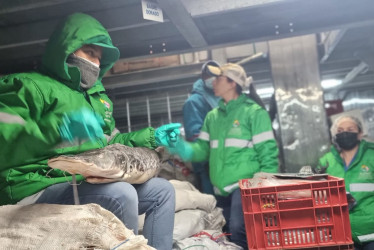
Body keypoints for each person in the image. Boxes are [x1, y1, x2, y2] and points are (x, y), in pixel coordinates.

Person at [0, 13, 178, 250]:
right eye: (89, 53)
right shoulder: (29, 86)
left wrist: (151, 137)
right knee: (121, 194)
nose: (95, 63)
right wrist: (57, 129)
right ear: (66, 48)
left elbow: (110, 143)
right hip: (32, 184)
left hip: (78, 181)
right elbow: (5, 134)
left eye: (99, 58)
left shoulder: (96, 100)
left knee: (162, 191)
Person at [166, 63, 279, 249]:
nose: (213, 82)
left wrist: (264, 189)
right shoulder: (213, 117)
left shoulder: (253, 113)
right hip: (220, 189)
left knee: (238, 230)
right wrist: (179, 146)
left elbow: (268, 153)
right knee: (226, 232)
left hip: (246, 186)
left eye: (218, 78)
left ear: (232, 83)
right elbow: (202, 150)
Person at [318, 115, 374, 250]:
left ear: (360, 134)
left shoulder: (371, 157)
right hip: (340, 233)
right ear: (335, 136)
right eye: (340, 131)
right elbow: (319, 195)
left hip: (370, 231)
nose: (345, 133)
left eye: (350, 129)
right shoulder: (326, 161)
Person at [182, 60, 221, 194]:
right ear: (203, 77)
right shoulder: (193, 102)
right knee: (216, 205)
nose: (213, 80)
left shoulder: (219, 99)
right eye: (210, 76)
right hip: (208, 166)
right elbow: (195, 136)